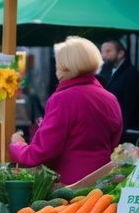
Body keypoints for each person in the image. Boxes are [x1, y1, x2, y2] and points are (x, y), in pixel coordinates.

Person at [9, 36, 122, 185]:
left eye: (58, 63)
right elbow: (114, 143)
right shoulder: (110, 98)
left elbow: (42, 152)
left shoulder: (62, 99)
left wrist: (17, 146)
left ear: (64, 67)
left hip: (70, 187)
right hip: (104, 182)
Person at [98, 39, 139, 138]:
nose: (103, 55)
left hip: (126, 131)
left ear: (120, 53)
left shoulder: (131, 75)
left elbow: (129, 107)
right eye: (102, 52)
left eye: (108, 51)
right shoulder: (108, 71)